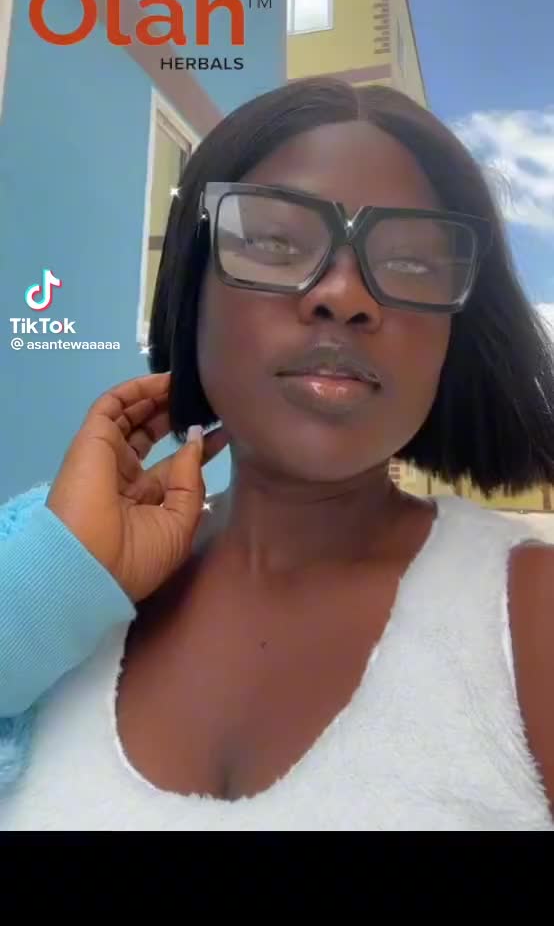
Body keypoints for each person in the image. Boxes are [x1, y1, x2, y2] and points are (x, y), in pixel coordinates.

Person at [1, 76, 554, 831]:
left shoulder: (530, 618)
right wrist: (48, 587)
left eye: (412, 262)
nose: (344, 295)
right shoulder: (54, 583)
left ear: (452, 335)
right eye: (272, 241)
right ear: (192, 285)